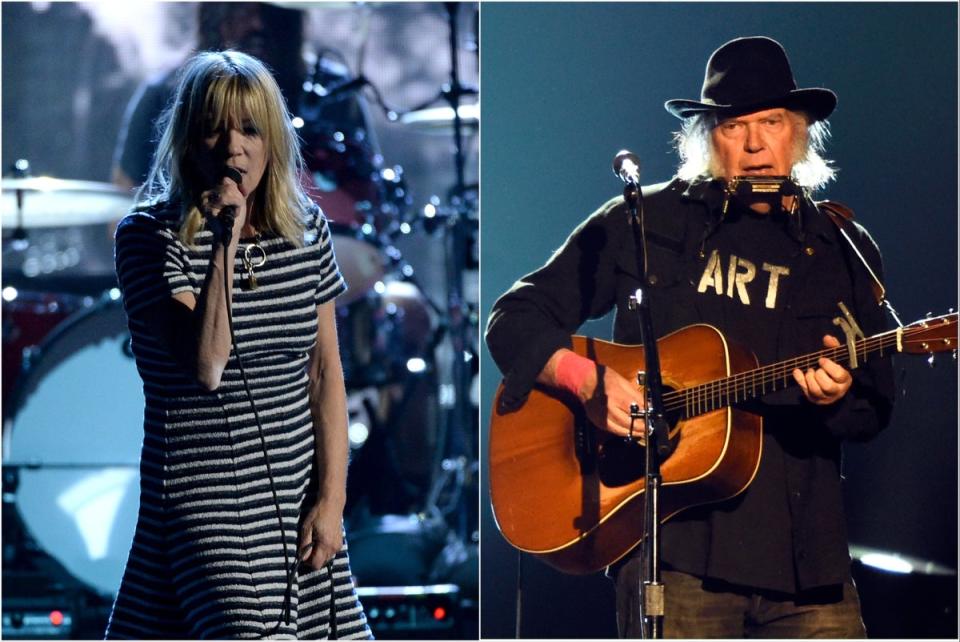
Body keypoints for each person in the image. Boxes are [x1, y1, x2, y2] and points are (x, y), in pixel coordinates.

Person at [486, 36, 895, 638]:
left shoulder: (844, 250)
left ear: (799, 133)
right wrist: (588, 381)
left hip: (808, 568)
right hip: (675, 563)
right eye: (736, 126)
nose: (756, 145)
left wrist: (835, 399)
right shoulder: (645, 221)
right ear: (708, 136)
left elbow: (877, 404)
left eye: (772, 123)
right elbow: (514, 318)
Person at [105, 50, 371, 639]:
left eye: (250, 129)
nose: (233, 147)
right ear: (188, 139)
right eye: (215, 128)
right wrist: (221, 242)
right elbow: (207, 365)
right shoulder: (148, 237)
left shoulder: (305, 231)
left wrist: (331, 502)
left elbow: (325, 373)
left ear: (272, 139)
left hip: (296, 492)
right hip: (208, 495)